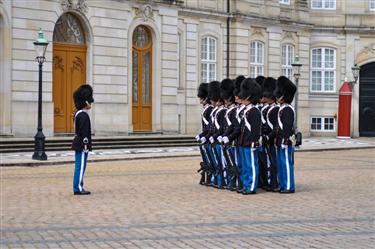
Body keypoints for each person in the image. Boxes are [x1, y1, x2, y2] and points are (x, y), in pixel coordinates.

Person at [237, 78, 262, 195]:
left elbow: (256, 129)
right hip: (243, 141)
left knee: (252, 166)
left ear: (249, 96)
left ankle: (252, 187)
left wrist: (254, 142)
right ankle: (246, 185)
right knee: (246, 166)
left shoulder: (254, 111)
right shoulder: (246, 110)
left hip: (250, 142)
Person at [274, 76, 297, 194]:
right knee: (280, 164)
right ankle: (283, 184)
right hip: (280, 140)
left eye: (280, 94)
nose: (277, 97)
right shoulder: (282, 108)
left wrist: (285, 139)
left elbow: (287, 127)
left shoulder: (288, 109)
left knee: (286, 164)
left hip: (285, 141)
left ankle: (289, 186)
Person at [71, 84, 94, 195]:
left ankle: (79, 186)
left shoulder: (78, 114)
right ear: (85, 102)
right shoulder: (83, 115)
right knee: (80, 167)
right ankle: (78, 188)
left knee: (79, 166)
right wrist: (86, 146)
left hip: (78, 142)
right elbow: (85, 134)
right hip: (81, 144)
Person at [195, 83, 214, 185]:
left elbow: (210, 126)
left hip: (209, 137)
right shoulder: (207, 108)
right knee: (207, 158)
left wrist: (205, 136)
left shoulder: (210, 109)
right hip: (206, 137)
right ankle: (207, 176)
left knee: (211, 159)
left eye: (202, 98)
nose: (200, 100)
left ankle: (211, 177)